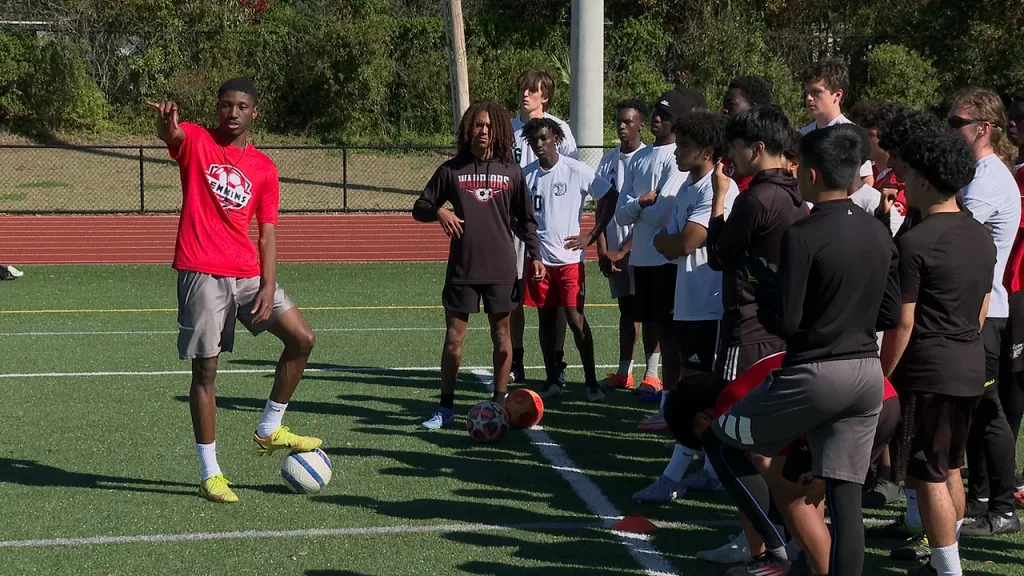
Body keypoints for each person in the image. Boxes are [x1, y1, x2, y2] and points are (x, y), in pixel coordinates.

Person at [705, 124, 901, 576]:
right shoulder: (877, 231)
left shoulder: (805, 233)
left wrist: (764, 285)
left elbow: (787, 323)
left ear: (810, 175)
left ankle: (773, 550)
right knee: (845, 498)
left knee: (720, 440)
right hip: (868, 376)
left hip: (816, 372)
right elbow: (889, 313)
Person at [148, 78, 320, 504]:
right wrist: (167, 123)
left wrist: (266, 283)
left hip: (246, 273)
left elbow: (268, 233)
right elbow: (173, 135)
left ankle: (269, 428)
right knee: (205, 374)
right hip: (201, 272)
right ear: (217, 108)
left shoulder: (264, 167)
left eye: (242, 106)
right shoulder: (198, 141)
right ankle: (210, 473)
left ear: (254, 113)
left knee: (302, 339)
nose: (233, 112)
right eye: (226, 105)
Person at [668, 353, 901, 575]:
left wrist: (765, 550)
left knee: (795, 501)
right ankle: (801, 560)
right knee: (809, 494)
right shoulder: (750, 382)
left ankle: (792, 562)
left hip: (843, 406)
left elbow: (757, 470)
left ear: (702, 418)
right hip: (878, 397)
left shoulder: (729, 406)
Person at [880, 133, 995, 576]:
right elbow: (982, 309)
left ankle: (947, 568)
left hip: (929, 370)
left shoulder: (916, 242)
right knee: (951, 467)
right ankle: (947, 554)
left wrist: (883, 372)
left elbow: (903, 323)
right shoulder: (981, 236)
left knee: (928, 473)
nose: (902, 182)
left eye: (908, 175)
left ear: (926, 182)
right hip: (969, 362)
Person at [413, 101, 544, 430]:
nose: (483, 131)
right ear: (467, 129)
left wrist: (536, 256)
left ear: (498, 130)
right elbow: (420, 206)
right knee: (454, 340)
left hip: (502, 268)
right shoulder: (450, 170)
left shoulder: (511, 172)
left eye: (488, 126)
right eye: (477, 125)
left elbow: (526, 221)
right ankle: (445, 408)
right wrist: (440, 211)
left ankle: (499, 404)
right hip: (462, 269)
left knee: (502, 339)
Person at [631, 111, 739, 503]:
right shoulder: (689, 188)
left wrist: (666, 243)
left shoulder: (715, 189)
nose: (676, 153)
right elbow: (671, 240)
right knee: (700, 395)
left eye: (685, 147)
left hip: (711, 307)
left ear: (707, 151)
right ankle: (710, 471)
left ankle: (676, 476)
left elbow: (684, 243)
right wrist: (667, 242)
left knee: (700, 395)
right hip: (691, 302)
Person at [946, 88, 1022, 537]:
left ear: (983, 129)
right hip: (976, 309)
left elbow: (955, 232)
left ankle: (1002, 509)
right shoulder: (979, 173)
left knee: (989, 412)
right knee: (975, 412)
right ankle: (979, 500)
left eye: (957, 123)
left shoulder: (989, 178)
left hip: (985, 312)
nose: (950, 130)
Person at [614, 88, 705, 431]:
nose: (657, 119)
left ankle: (674, 405)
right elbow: (624, 214)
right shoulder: (640, 158)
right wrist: (640, 204)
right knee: (656, 331)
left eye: (665, 115)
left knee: (672, 338)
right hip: (644, 259)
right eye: (656, 112)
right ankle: (668, 402)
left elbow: (666, 206)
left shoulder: (677, 159)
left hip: (667, 261)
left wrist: (639, 208)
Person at [521, 118, 617, 401]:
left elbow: (610, 196)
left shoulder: (575, 170)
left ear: (556, 139)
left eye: (544, 138)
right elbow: (519, 216)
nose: (539, 144)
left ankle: (590, 381)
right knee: (546, 321)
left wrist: (591, 235)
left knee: (575, 319)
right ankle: (553, 378)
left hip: (570, 262)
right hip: (539, 262)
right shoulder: (526, 175)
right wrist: (532, 248)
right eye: (534, 140)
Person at [509, 69, 577, 387]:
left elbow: (572, 173)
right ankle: (516, 361)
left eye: (532, 90)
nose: (525, 94)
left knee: (551, 303)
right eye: (522, 89)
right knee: (512, 296)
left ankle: (556, 364)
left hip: (549, 229)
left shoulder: (559, 129)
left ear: (544, 96)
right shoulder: (507, 129)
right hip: (513, 225)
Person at [595, 99, 661, 392]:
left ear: (641, 125)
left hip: (641, 248)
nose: (622, 127)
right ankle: (624, 372)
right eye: (619, 121)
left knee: (649, 312)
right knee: (627, 311)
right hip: (613, 250)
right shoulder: (607, 160)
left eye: (628, 122)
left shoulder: (649, 158)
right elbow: (601, 207)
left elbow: (651, 211)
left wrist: (624, 250)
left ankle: (652, 373)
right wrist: (602, 248)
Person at [799, 58, 874, 187]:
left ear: (837, 95)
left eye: (817, 92)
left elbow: (866, 181)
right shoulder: (802, 135)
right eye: (807, 93)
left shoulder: (852, 135)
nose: (809, 98)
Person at [1001, 91, 1024, 500]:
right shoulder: (1017, 170)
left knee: (1016, 378)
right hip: (1011, 285)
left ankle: (1011, 475)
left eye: (1019, 117)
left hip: (1022, 286)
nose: (1013, 124)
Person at [721, 75, 775, 193]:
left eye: (731, 104)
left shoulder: (768, 158)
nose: (724, 110)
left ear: (753, 108)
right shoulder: (722, 149)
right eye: (724, 104)